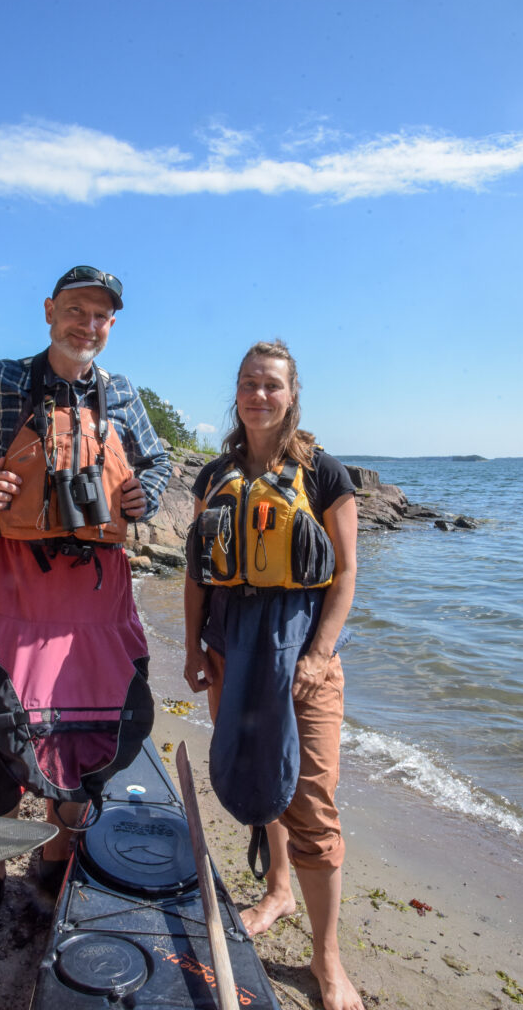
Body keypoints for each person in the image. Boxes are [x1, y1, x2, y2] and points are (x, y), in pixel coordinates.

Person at [0, 264, 171, 944]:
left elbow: (158, 462)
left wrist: (148, 495)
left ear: (112, 326)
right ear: (50, 310)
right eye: (78, 310)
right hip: (18, 600)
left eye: (102, 316)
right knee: (1, 742)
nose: (89, 325)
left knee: (84, 741)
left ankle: (50, 864)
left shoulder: (121, 396)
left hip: (97, 605)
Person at [183, 340, 362, 1010]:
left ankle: (326, 958)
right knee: (259, 775)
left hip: (298, 657)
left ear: (292, 394)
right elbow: (198, 570)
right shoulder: (213, 476)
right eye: (247, 383)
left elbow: (343, 573)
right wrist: (193, 650)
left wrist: (318, 656)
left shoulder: (324, 475)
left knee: (310, 798)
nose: (259, 394)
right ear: (235, 393)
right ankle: (277, 889)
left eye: (272, 385)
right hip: (229, 649)